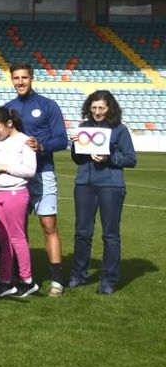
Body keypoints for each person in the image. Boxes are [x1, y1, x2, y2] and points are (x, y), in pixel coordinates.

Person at [4, 63, 69, 296]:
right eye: (16, 78)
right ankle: (21, 277)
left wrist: (42, 146)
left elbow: (62, 139)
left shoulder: (48, 105)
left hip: (43, 172)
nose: (20, 82)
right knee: (17, 228)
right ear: (11, 80)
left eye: (24, 77)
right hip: (15, 176)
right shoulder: (8, 109)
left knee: (48, 225)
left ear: (32, 78)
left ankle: (57, 280)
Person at [69, 90, 136, 295]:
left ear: (110, 108)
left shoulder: (120, 130)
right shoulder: (83, 128)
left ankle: (109, 279)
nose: (98, 112)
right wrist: (74, 145)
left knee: (110, 235)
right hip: (84, 184)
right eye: (94, 107)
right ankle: (79, 274)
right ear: (89, 107)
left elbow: (131, 159)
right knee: (82, 232)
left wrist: (109, 158)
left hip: (111, 186)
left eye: (102, 108)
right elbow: (79, 160)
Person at [0, 106, 39, 298]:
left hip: (15, 193)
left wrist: (4, 167)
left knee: (17, 238)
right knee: (4, 241)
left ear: (9, 123)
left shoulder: (24, 141)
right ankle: (6, 281)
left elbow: (30, 170)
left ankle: (27, 280)